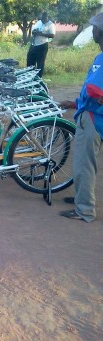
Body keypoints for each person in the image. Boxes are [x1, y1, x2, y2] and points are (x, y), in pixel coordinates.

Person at [59, 12, 103, 223]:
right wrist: (76, 103)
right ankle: (81, 197)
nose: (92, 31)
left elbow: (95, 89)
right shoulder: (99, 58)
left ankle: (84, 209)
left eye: (95, 28)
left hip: (94, 119)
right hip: (90, 113)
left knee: (85, 165)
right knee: (83, 163)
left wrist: (94, 95)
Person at [27, 12, 55, 78]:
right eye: (42, 18)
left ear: (47, 17)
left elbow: (52, 35)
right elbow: (33, 30)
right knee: (30, 62)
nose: (43, 20)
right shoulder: (39, 22)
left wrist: (41, 34)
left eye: (44, 18)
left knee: (40, 64)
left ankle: (38, 79)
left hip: (42, 45)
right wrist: (34, 32)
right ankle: (29, 78)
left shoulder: (51, 25)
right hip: (34, 45)